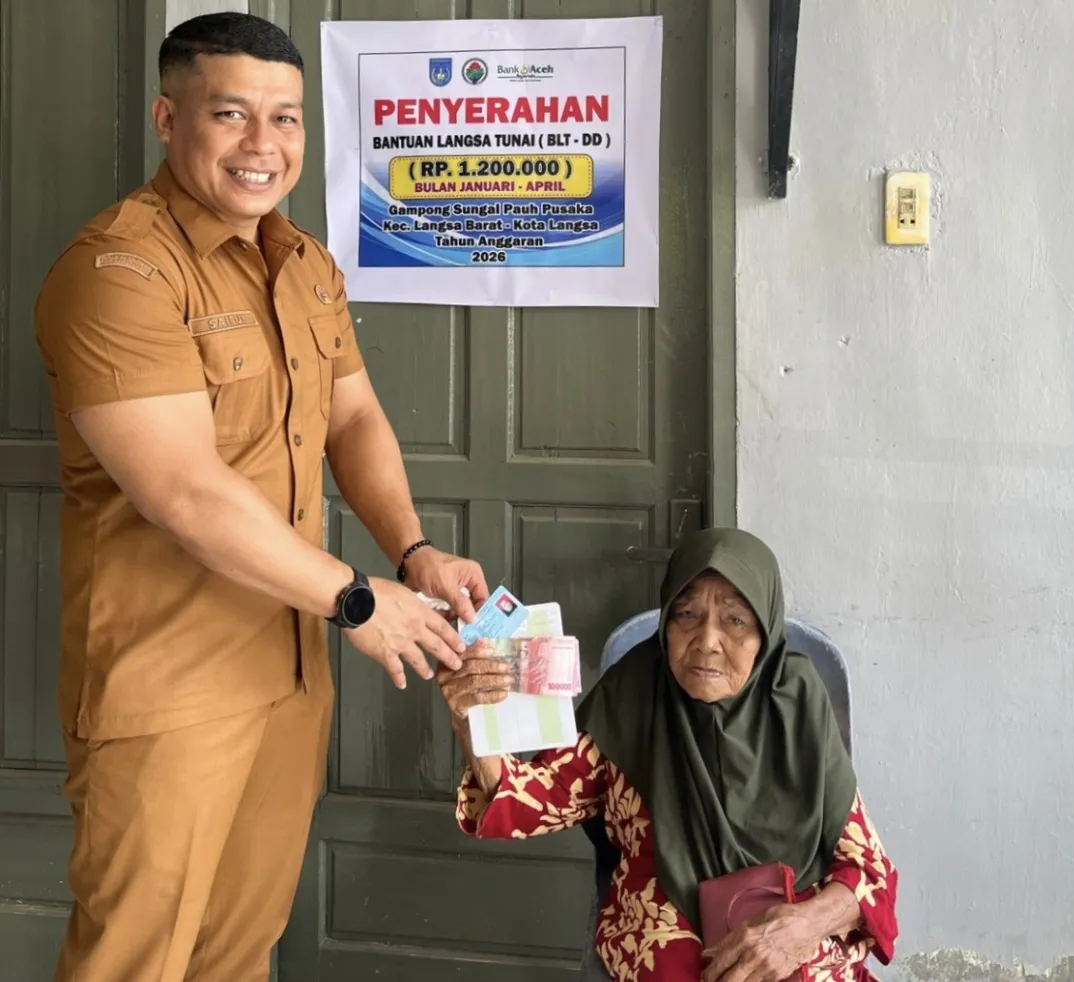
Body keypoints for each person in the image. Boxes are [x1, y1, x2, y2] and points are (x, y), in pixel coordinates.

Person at [33, 12, 488, 982]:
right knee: (131, 962)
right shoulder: (118, 272)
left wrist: (412, 552)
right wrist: (356, 599)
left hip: (287, 675)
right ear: (168, 117)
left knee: (238, 954)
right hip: (169, 687)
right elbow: (185, 492)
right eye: (231, 114)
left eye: (285, 118)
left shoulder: (305, 265)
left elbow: (353, 419)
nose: (263, 145)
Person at [439, 528, 899, 982]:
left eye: (735, 620)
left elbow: (869, 872)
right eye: (687, 614)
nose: (707, 640)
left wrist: (804, 926)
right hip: (655, 947)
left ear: (765, 629)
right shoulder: (633, 694)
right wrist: (469, 721)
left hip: (796, 950)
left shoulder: (795, 702)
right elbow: (528, 802)